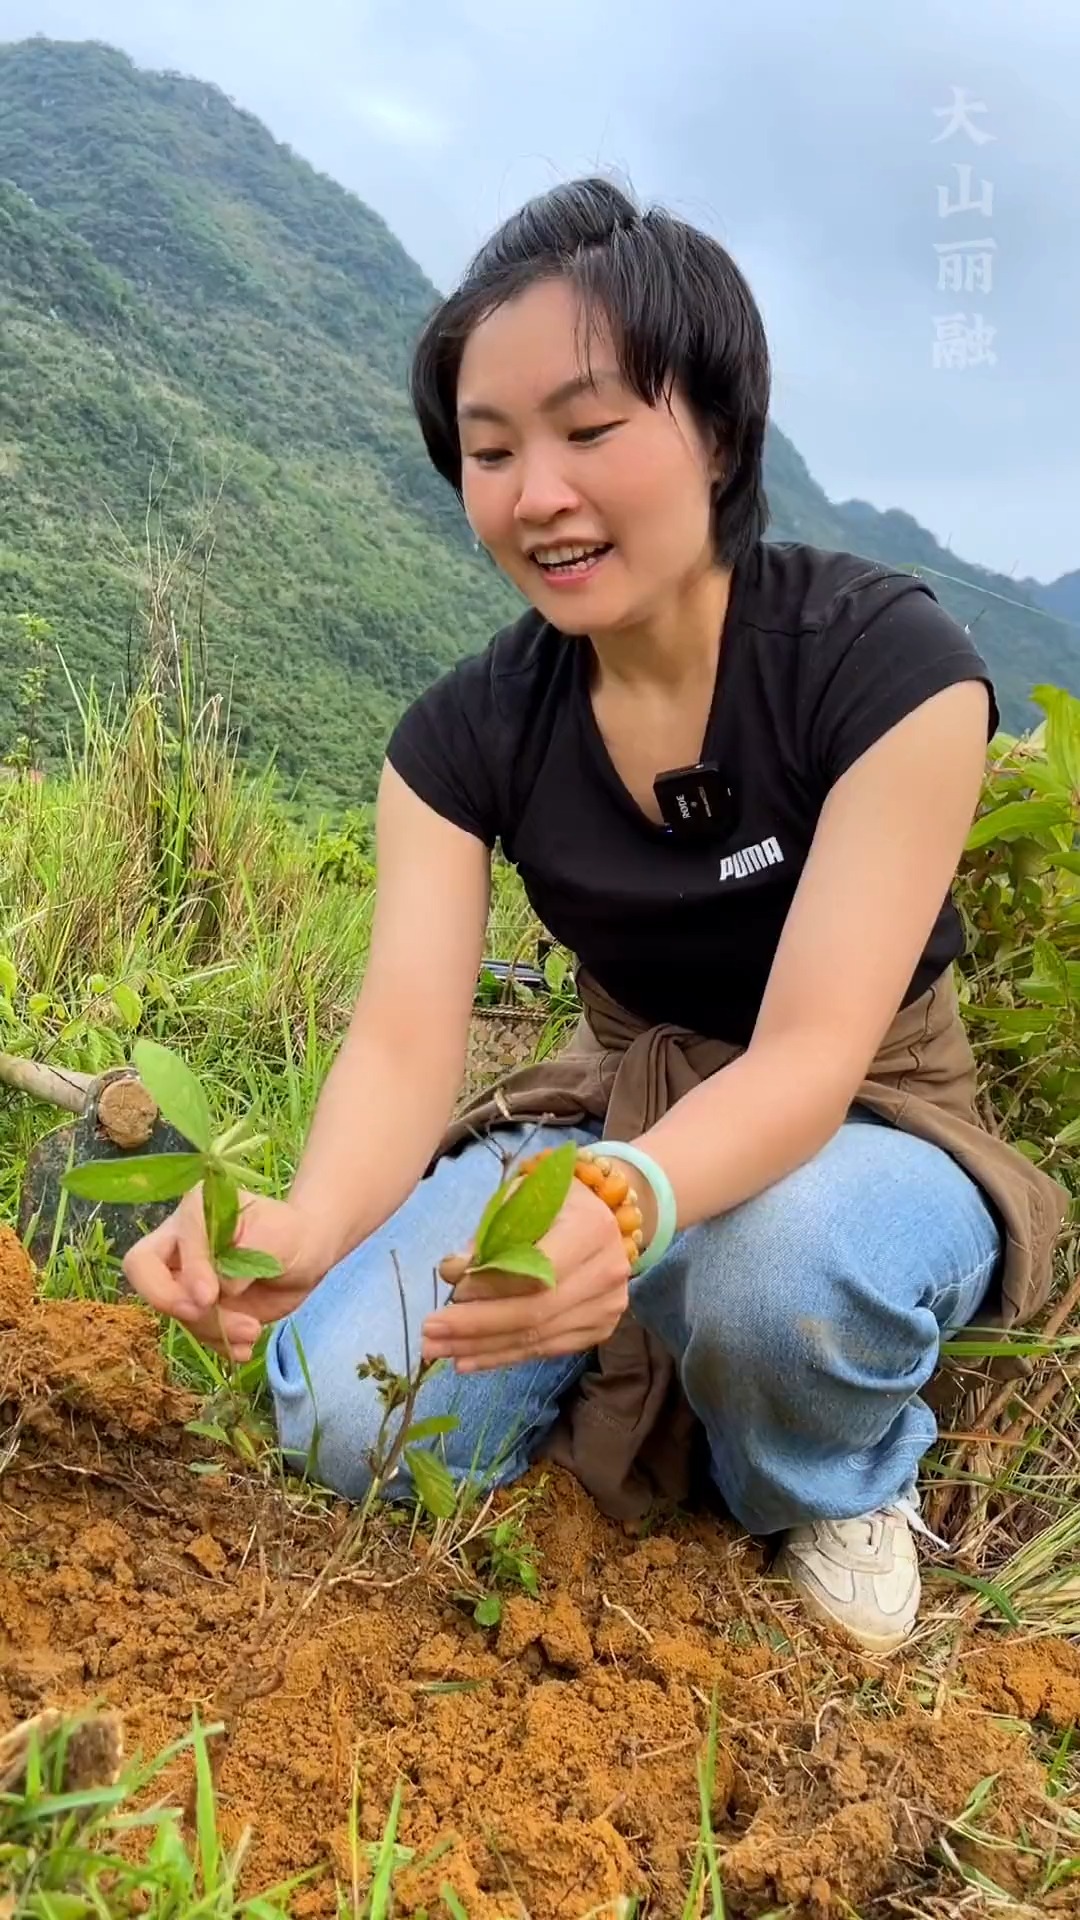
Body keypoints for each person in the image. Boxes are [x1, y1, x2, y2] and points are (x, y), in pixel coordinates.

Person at [124, 177, 1065, 1655]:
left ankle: (832, 1474)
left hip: (871, 1113)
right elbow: (401, 1037)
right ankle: (630, 1348)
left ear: (717, 427)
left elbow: (818, 1053)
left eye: (589, 429)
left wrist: (624, 1205)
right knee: (350, 1418)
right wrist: (301, 1222)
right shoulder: (462, 736)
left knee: (777, 1284)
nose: (535, 494)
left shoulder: (890, 667)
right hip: (611, 1103)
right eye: (489, 452)